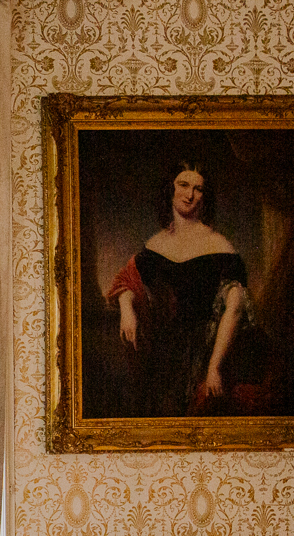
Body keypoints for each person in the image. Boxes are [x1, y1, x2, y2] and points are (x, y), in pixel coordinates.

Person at [106, 162, 264, 416]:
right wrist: (127, 309)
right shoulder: (156, 245)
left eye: (198, 189)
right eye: (184, 185)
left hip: (207, 352)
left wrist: (214, 367)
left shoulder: (220, 247)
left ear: (205, 196)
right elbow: (127, 279)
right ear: (171, 188)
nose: (190, 194)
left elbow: (235, 308)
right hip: (163, 354)